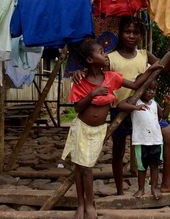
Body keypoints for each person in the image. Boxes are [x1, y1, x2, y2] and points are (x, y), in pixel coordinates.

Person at [72, 16, 170, 195]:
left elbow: (166, 67)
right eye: (127, 32)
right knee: (118, 150)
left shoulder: (144, 55)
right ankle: (119, 191)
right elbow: (94, 70)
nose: (131, 36)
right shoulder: (109, 58)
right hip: (120, 109)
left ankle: (167, 182)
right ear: (120, 34)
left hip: (144, 108)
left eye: (136, 32)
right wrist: (79, 71)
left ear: (140, 36)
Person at [61, 39, 162, 219]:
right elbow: (77, 108)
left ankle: (89, 202)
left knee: (86, 166)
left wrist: (151, 69)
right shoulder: (81, 80)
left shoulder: (112, 77)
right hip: (81, 128)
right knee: (80, 167)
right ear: (90, 60)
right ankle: (83, 204)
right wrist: (91, 94)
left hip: (98, 130)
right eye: (101, 52)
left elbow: (135, 85)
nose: (105, 55)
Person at [117, 79, 170, 200]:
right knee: (141, 167)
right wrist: (135, 107)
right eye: (148, 89)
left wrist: (168, 105)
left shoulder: (155, 104)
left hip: (156, 140)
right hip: (140, 141)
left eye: (153, 89)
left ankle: (154, 188)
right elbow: (120, 105)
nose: (151, 92)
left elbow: (164, 116)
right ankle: (141, 188)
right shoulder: (134, 101)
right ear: (140, 88)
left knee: (154, 165)